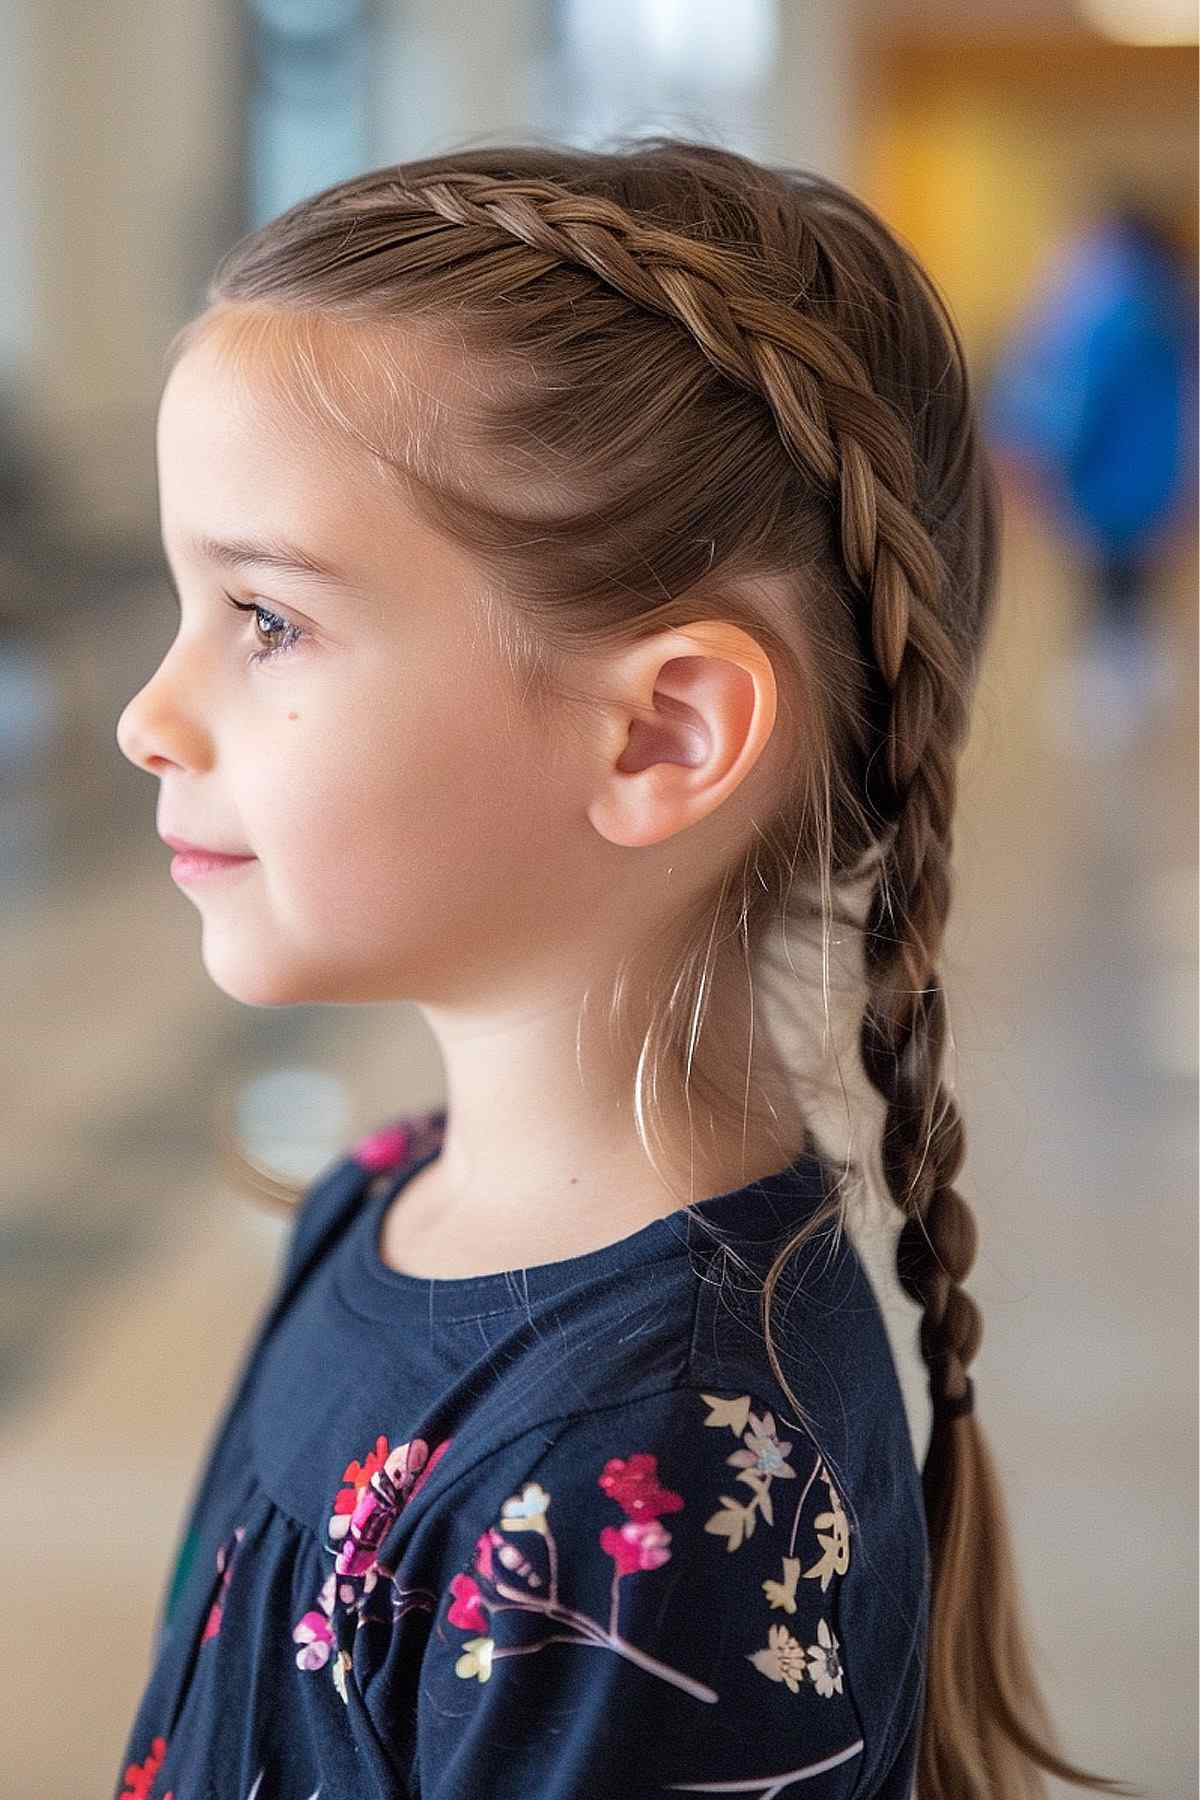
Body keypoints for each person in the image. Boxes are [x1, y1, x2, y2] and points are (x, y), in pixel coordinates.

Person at [112, 139, 1133, 1800]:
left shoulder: (642, 1479)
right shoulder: (376, 1195)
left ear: (663, 732)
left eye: (268, 620)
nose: (148, 717)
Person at [984, 192, 1197, 755]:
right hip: (1160, 475)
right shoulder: (1175, 303)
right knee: (1134, 585)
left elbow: (1068, 398)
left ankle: (1112, 701)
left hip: (1106, 477)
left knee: (1108, 584)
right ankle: (1139, 684)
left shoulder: (1104, 309)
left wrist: (1033, 454)